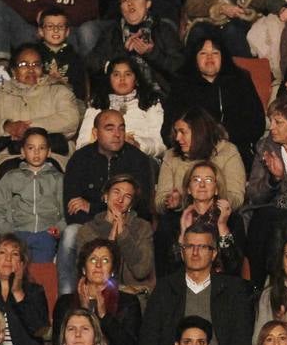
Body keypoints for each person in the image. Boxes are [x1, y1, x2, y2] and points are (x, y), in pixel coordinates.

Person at [137, 222, 254, 345]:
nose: (195, 253)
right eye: (190, 247)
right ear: (182, 252)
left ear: (213, 254)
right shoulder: (165, 288)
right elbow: (148, 343)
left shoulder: (233, 290)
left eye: (203, 247)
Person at [0, 44, 81, 184]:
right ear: (13, 70)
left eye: (36, 64)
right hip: (9, 158)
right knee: (13, 178)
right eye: (24, 64)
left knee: (48, 176)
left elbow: (70, 121)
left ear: (42, 69)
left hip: (52, 156)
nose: (31, 69)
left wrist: (27, 128)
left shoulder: (59, 92)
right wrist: (7, 127)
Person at [165, 40, 265, 171]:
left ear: (223, 56)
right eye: (203, 53)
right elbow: (169, 129)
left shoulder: (240, 80)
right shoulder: (181, 85)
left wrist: (226, 136)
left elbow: (257, 124)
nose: (210, 58)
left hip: (234, 151)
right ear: (194, 58)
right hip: (191, 155)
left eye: (215, 53)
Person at [84, 0, 182, 112]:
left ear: (148, 3)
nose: (130, 3)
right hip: (118, 100)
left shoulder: (163, 29)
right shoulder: (112, 32)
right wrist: (122, 53)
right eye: (125, 0)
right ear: (120, 8)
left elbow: (179, 68)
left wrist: (152, 53)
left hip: (160, 99)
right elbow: (92, 64)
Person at [156, 108, 247, 221]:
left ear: (199, 132)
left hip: (218, 216)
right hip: (182, 216)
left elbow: (236, 197)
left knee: (235, 221)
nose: (178, 138)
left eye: (183, 132)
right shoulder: (171, 156)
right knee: (166, 223)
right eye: (176, 132)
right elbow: (159, 201)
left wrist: (209, 201)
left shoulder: (227, 152)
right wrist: (173, 201)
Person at [80, 56, 165, 159]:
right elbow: (82, 144)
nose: (122, 79)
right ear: (109, 79)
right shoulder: (97, 105)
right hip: (103, 159)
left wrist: (137, 144)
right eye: (116, 75)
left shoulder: (150, 103)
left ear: (136, 79)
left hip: (140, 158)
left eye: (128, 74)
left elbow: (161, 145)